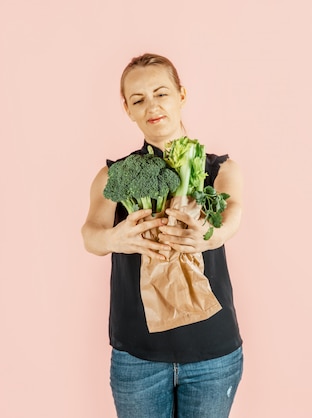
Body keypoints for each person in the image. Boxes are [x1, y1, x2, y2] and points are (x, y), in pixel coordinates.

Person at [81, 53, 244, 418]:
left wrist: (208, 234)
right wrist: (113, 240)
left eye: (161, 93)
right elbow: (90, 234)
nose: (152, 106)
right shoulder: (114, 176)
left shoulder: (219, 169)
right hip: (137, 356)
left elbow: (233, 218)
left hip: (213, 354)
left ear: (181, 94)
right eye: (138, 100)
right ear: (127, 109)